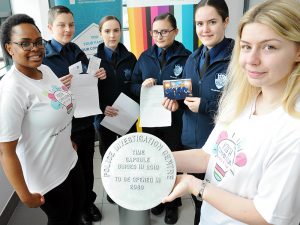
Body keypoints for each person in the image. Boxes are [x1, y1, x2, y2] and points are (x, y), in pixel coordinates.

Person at [163, 0, 300, 224]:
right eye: (246, 46)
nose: (251, 60)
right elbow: (209, 156)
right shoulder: (242, 99)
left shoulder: (293, 129)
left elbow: (267, 215)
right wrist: (157, 159)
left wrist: (196, 185)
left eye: (269, 47)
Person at [0, 14, 85, 225]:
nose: (35, 48)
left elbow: (59, 107)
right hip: (47, 177)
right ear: (10, 48)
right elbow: (6, 151)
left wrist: (65, 137)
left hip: (69, 159)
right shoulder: (12, 90)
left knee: (78, 211)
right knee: (62, 218)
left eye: (38, 42)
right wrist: (24, 194)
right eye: (25, 44)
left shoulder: (45, 70)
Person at [163, 1, 234, 224]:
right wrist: (177, 104)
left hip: (220, 149)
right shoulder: (192, 59)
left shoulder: (238, 60)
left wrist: (204, 106)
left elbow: (241, 109)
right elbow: (188, 95)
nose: (205, 29)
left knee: (218, 204)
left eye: (212, 22)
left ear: (226, 22)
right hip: (190, 142)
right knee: (198, 200)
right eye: (200, 23)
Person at [42, 6, 106, 225]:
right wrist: (56, 88)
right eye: (61, 25)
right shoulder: (43, 59)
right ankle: (76, 209)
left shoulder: (76, 50)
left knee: (87, 169)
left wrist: (98, 73)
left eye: (71, 24)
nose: (67, 29)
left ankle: (88, 203)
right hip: (63, 129)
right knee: (68, 174)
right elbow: (42, 97)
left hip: (85, 122)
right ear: (50, 27)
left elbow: (88, 76)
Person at [131, 13, 191, 224]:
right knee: (154, 161)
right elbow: (133, 85)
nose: (160, 35)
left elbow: (190, 88)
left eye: (164, 31)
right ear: (150, 33)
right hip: (150, 121)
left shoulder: (187, 57)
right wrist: (142, 85)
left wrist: (177, 100)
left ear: (175, 31)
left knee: (172, 161)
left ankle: (173, 204)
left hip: (175, 121)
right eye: (156, 32)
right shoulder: (145, 56)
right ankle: (158, 198)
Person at [94, 15, 137, 203]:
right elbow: (89, 94)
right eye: (107, 31)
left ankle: (130, 184)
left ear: (121, 32)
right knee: (109, 155)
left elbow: (135, 86)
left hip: (127, 117)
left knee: (129, 154)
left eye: (116, 30)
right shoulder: (94, 61)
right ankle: (112, 188)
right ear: (100, 33)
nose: (112, 35)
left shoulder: (130, 58)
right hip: (105, 119)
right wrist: (102, 108)